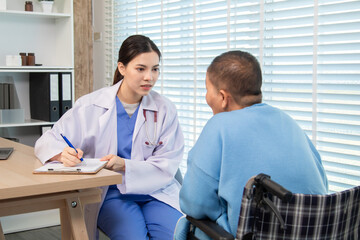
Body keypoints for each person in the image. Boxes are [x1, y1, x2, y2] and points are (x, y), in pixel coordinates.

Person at [34, 35, 184, 240]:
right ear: (122, 68)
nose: (149, 77)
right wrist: (62, 154)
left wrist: (124, 165)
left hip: (156, 191)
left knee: (174, 236)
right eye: (141, 69)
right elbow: (48, 139)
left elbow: (168, 163)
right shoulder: (91, 105)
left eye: (155, 69)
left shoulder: (164, 109)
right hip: (112, 194)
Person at [174, 50, 328, 240]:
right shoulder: (287, 120)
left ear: (222, 97)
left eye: (207, 90)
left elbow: (194, 204)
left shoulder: (219, 125)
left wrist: (221, 215)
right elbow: (320, 186)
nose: (206, 97)